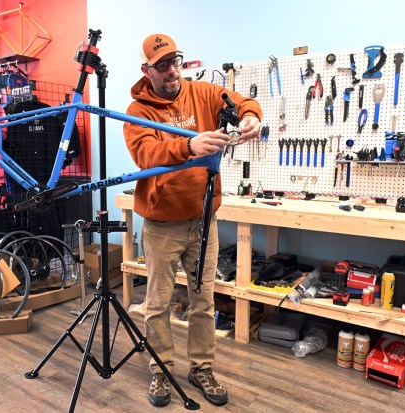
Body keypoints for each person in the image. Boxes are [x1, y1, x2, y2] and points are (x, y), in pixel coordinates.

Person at [123, 33, 262, 407]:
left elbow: (244, 101)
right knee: (158, 304)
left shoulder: (202, 92)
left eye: (176, 61)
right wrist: (189, 146)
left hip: (204, 222)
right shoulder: (137, 111)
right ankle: (160, 370)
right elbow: (146, 153)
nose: (172, 71)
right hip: (162, 226)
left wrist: (251, 116)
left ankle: (201, 368)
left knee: (203, 301)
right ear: (146, 70)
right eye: (162, 65)